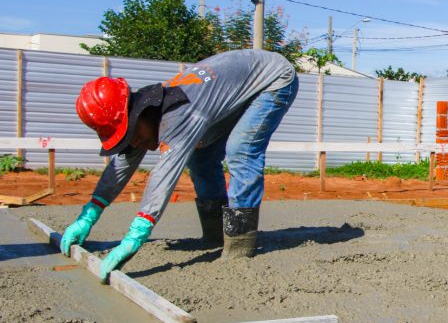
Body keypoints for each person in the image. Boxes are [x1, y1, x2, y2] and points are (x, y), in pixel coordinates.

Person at [60, 49, 299, 281]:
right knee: (201, 157)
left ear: (136, 115)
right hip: (237, 82)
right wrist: (88, 215)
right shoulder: (145, 112)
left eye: (131, 134)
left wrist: (137, 233)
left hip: (273, 78)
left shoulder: (179, 115)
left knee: (241, 150)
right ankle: (216, 235)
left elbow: (164, 175)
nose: (134, 142)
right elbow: (121, 165)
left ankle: (239, 244)